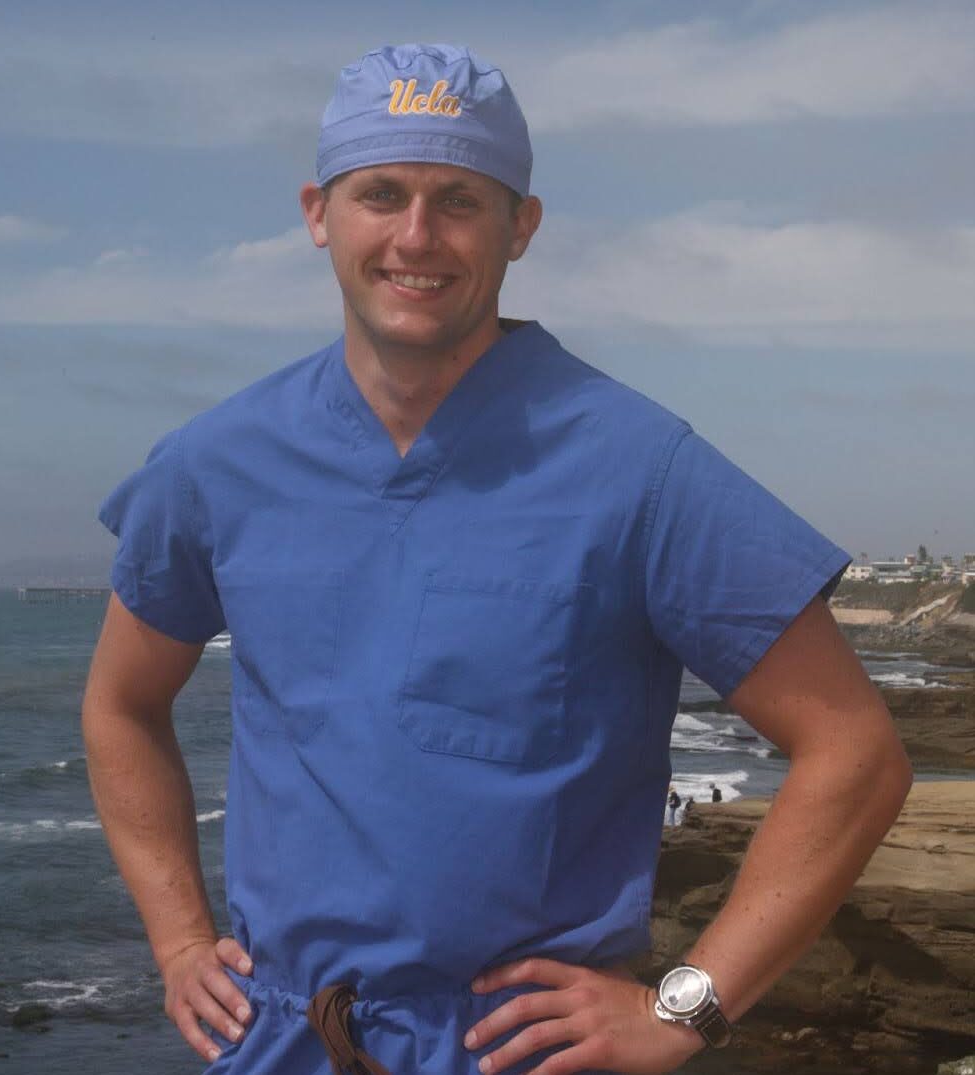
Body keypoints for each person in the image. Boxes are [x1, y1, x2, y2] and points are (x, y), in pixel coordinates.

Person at [82, 43, 912, 1075]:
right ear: (317, 213)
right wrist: (176, 942)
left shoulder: (637, 467)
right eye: (380, 194)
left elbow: (853, 750)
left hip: (518, 1051)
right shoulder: (217, 463)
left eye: (460, 201)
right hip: (278, 1041)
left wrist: (682, 1007)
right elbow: (121, 702)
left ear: (519, 226)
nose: (416, 237)